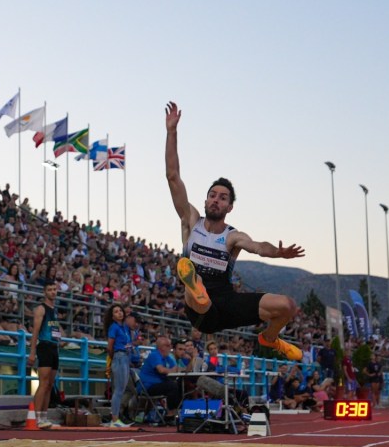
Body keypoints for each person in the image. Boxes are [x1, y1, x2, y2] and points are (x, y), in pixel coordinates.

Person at [164, 101, 305, 361]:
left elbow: (258, 247)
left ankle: (270, 338)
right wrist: (172, 132)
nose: (216, 200)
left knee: (287, 306)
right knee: (192, 279)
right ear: (205, 200)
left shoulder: (232, 237)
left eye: (223, 198)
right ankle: (194, 285)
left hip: (226, 302)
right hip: (199, 311)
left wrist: (277, 252)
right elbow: (173, 176)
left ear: (230, 207)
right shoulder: (190, 220)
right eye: (212, 196)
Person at [28, 280, 61, 429]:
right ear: (45, 292)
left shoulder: (54, 310)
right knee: (43, 382)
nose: (53, 292)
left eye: (54, 289)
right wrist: (32, 352)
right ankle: (37, 417)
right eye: (50, 289)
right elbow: (35, 331)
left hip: (54, 346)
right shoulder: (41, 309)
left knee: (50, 385)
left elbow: (55, 329)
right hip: (44, 346)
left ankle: (44, 416)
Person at [103, 303, 133, 428]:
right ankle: (114, 419)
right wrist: (112, 357)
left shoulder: (125, 327)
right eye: (116, 312)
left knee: (122, 389)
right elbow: (109, 346)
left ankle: (116, 418)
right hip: (119, 356)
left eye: (120, 310)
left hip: (125, 357)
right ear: (112, 316)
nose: (119, 313)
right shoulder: (114, 327)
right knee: (119, 390)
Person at [139, 335, 182, 412]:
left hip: (158, 383)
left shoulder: (166, 356)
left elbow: (176, 368)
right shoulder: (154, 355)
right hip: (148, 386)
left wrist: (170, 370)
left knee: (179, 384)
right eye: (168, 346)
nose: (170, 348)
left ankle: (179, 409)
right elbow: (161, 370)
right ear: (162, 347)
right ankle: (171, 412)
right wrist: (171, 370)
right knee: (172, 386)